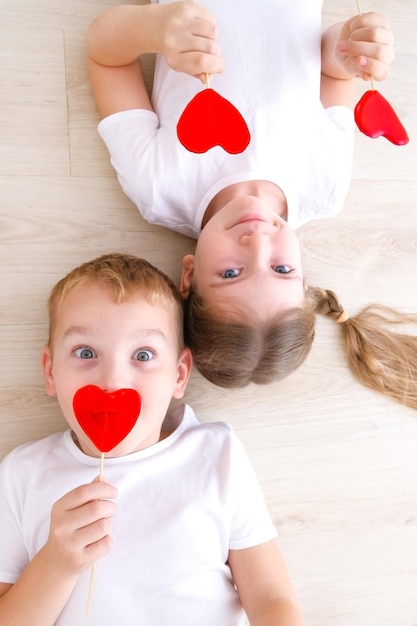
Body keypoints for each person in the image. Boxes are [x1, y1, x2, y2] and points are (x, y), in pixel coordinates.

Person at [86, 2, 417, 411]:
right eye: (281, 269)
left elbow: (104, 55)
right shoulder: (325, 186)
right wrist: (353, 48)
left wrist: (154, 29)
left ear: (188, 275)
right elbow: (332, 70)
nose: (257, 241)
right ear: (303, 275)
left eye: (230, 272)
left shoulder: (158, 185)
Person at [0, 253, 306, 625]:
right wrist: (56, 565)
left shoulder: (215, 455)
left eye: (142, 355)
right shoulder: (22, 474)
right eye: (85, 353)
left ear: (179, 375)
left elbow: (271, 598)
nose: (111, 381)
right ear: (50, 371)